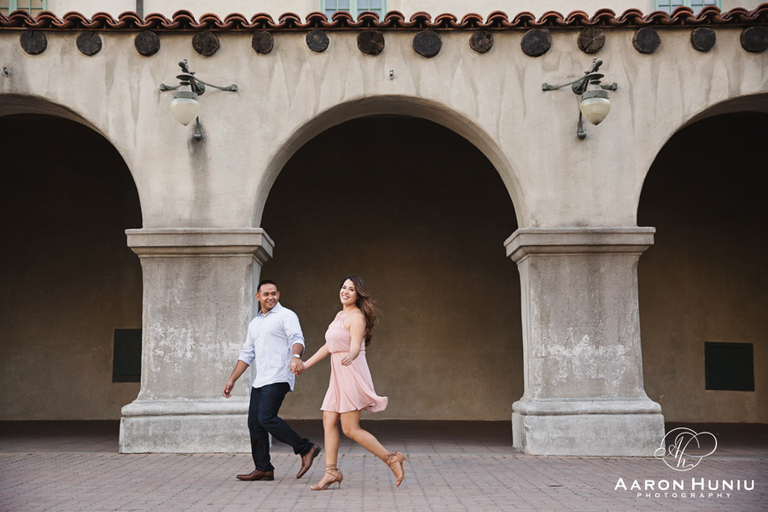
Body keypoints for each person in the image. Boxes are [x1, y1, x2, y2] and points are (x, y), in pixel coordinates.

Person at [292, 275, 409, 490]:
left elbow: (355, 345)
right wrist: (305, 365)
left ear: (358, 295)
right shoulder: (339, 315)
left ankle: (391, 458)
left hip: (351, 372)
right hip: (338, 376)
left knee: (350, 429)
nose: (345, 291)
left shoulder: (356, 317)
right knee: (328, 420)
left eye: (351, 289)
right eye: (344, 287)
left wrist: (352, 354)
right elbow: (329, 346)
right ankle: (331, 472)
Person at [222, 279, 321, 481]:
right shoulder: (255, 323)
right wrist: (232, 379)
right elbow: (247, 354)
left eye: (274, 293)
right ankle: (264, 468)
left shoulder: (286, 315)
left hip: (279, 376)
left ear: (278, 295)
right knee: (254, 423)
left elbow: (297, 339)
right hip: (260, 380)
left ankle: (306, 448)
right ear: (258, 297)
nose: (270, 297)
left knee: (266, 417)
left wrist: (296, 356)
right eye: (266, 294)